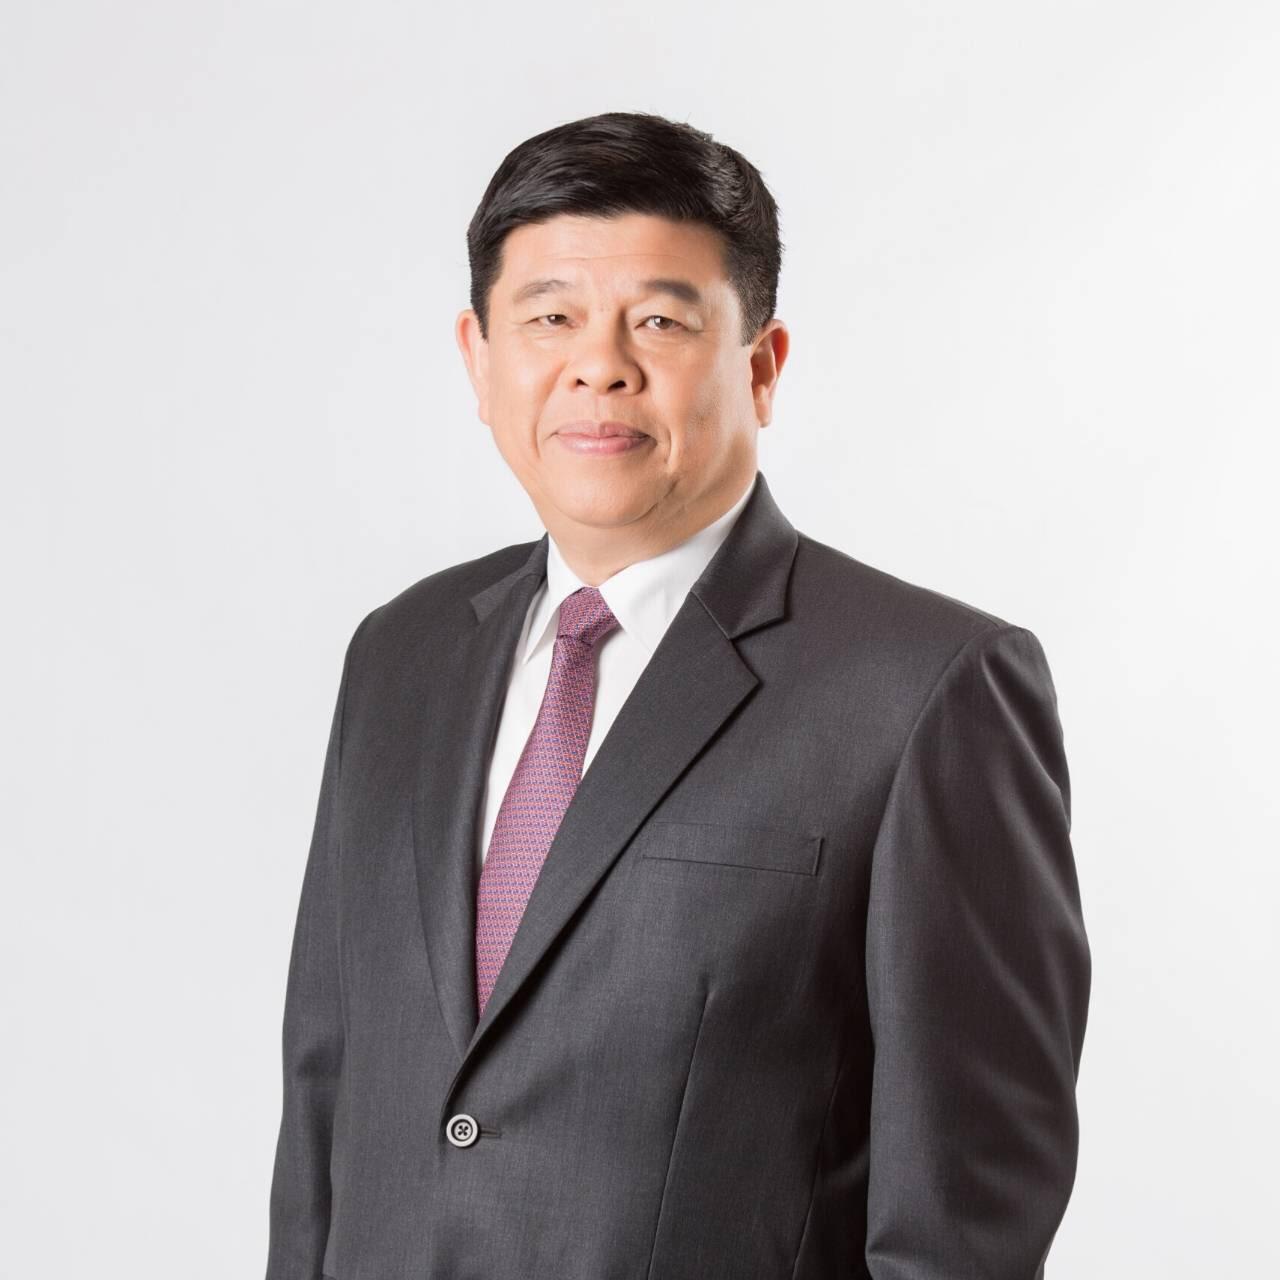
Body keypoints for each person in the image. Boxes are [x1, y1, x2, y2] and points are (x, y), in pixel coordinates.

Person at [265, 110, 1091, 1279]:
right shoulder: (401, 652)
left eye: (658, 319)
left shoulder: (924, 690)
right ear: (478, 359)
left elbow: (965, 1219)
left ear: (760, 365)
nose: (598, 365)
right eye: (549, 317)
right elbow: (326, 1095)